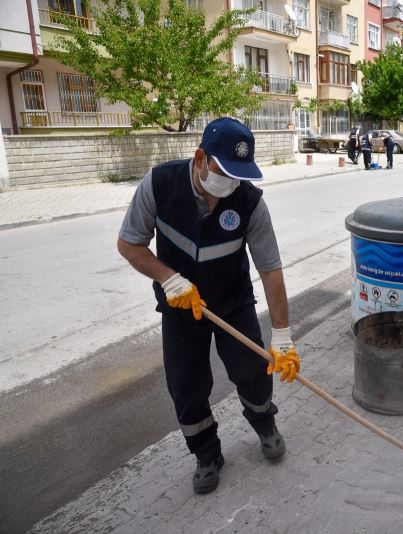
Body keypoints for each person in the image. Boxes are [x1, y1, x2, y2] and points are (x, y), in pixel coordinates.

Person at [117, 117, 301, 495]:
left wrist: (282, 335)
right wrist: (168, 278)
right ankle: (206, 454)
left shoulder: (249, 203)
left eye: (238, 175)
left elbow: (270, 270)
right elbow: (129, 244)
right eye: (224, 173)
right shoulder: (160, 185)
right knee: (185, 386)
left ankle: (265, 425)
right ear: (200, 157)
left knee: (253, 372)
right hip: (181, 305)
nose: (230, 184)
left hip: (232, 302)